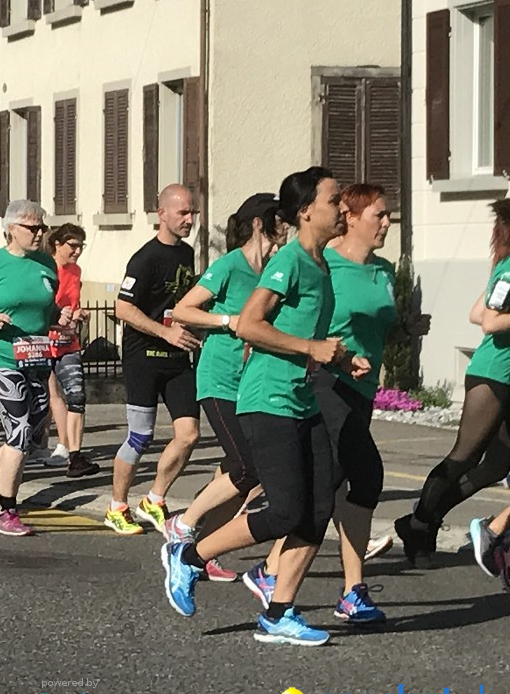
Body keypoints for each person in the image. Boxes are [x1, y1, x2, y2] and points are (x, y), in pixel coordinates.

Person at [161, 167, 368, 647]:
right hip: (267, 400)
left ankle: (279, 614)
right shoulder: (290, 261)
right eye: (335, 200)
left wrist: (339, 359)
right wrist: (312, 350)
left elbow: (308, 340)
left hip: (301, 400)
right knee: (284, 513)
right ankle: (187, 557)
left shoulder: (321, 264)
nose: (343, 208)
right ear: (305, 211)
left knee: (316, 514)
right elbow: (250, 324)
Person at [254, 183, 429, 625]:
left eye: (389, 215)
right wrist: (314, 354)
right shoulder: (322, 264)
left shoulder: (384, 271)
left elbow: (377, 326)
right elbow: (284, 321)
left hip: (361, 388)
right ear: (350, 217)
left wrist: (406, 329)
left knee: (342, 485)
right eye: (379, 215)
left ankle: (326, 584)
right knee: (357, 477)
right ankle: (291, 576)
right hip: (325, 384)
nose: (387, 223)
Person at [161, 194, 285, 586]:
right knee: (246, 465)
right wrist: (229, 320)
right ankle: (183, 523)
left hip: (253, 380)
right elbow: (182, 310)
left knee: (241, 470)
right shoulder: (230, 265)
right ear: (259, 224)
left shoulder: (275, 270)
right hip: (220, 377)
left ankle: (201, 548)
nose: (287, 227)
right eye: (279, 220)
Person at [396, 198, 510, 568]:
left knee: (497, 466)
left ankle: (419, 521)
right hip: (493, 374)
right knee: (463, 456)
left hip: (504, 376)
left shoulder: (503, 269)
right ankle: (421, 527)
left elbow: (478, 311)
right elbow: (490, 321)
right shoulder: (508, 270)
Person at [0, 199, 72, 536]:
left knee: (33, 433)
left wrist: (58, 318)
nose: (39, 233)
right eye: (32, 228)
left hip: (34, 356)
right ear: (10, 229)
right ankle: (6, 512)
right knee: (18, 429)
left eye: (42, 227)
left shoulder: (46, 264)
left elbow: (43, 310)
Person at [103, 184, 201, 535]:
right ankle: (117, 507)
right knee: (140, 436)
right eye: (183, 213)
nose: (190, 219)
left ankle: (155, 499)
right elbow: (122, 308)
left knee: (189, 434)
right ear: (162, 214)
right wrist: (165, 332)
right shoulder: (146, 257)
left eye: (193, 212)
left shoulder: (188, 255)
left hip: (178, 359)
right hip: (143, 357)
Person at [45, 223, 98, 478]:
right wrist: (57, 316)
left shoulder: (75, 271)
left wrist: (79, 313)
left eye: (81, 246)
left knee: (76, 396)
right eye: (72, 246)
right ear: (57, 244)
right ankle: (55, 445)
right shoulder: (45, 268)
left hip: (69, 342)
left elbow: (72, 303)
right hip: (44, 342)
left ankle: (75, 456)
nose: (77, 251)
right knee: (46, 398)